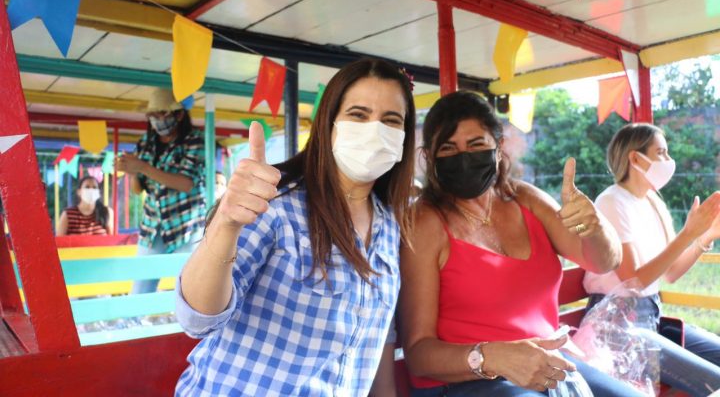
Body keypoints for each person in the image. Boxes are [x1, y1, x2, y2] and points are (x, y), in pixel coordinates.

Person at [174, 58, 416, 396]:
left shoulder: (390, 224)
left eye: (391, 120)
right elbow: (197, 319)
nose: (375, 130)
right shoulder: (273, 201)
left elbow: (375, 342)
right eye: (359, 115)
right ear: (329, 124)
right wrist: (226, 223)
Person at [400, 91, 643, 397]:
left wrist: (592, 227)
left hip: (547, 363)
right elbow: (418, 354)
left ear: (498, 146)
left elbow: (604, 261)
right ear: (430, 157)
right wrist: (491, 357)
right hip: (468, 380)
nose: (464, 157)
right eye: (448, 149)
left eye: (476, 145)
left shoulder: (524, 199)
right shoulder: (425, 223)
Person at [583, 123, 720, 395]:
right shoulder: (611, 202)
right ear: (635, 158)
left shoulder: (653, 202)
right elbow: (633, 281)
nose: (668, 160)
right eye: (661, 153)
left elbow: (671, 272)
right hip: (616, 327)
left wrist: (705, 237)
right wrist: (688, 233)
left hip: (650, 319)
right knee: (714, 381)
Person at [116, 88, 205, 294]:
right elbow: (138, 190)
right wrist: (131, 172)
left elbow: (186, 184)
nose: (156, 120)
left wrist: (142, 167)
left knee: (189, 291)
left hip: (185, 225)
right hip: (152, 226)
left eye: (162, 113)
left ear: (179, 115)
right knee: (139, 291)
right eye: (152, 115)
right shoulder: (146, 142)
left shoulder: (195, 140)